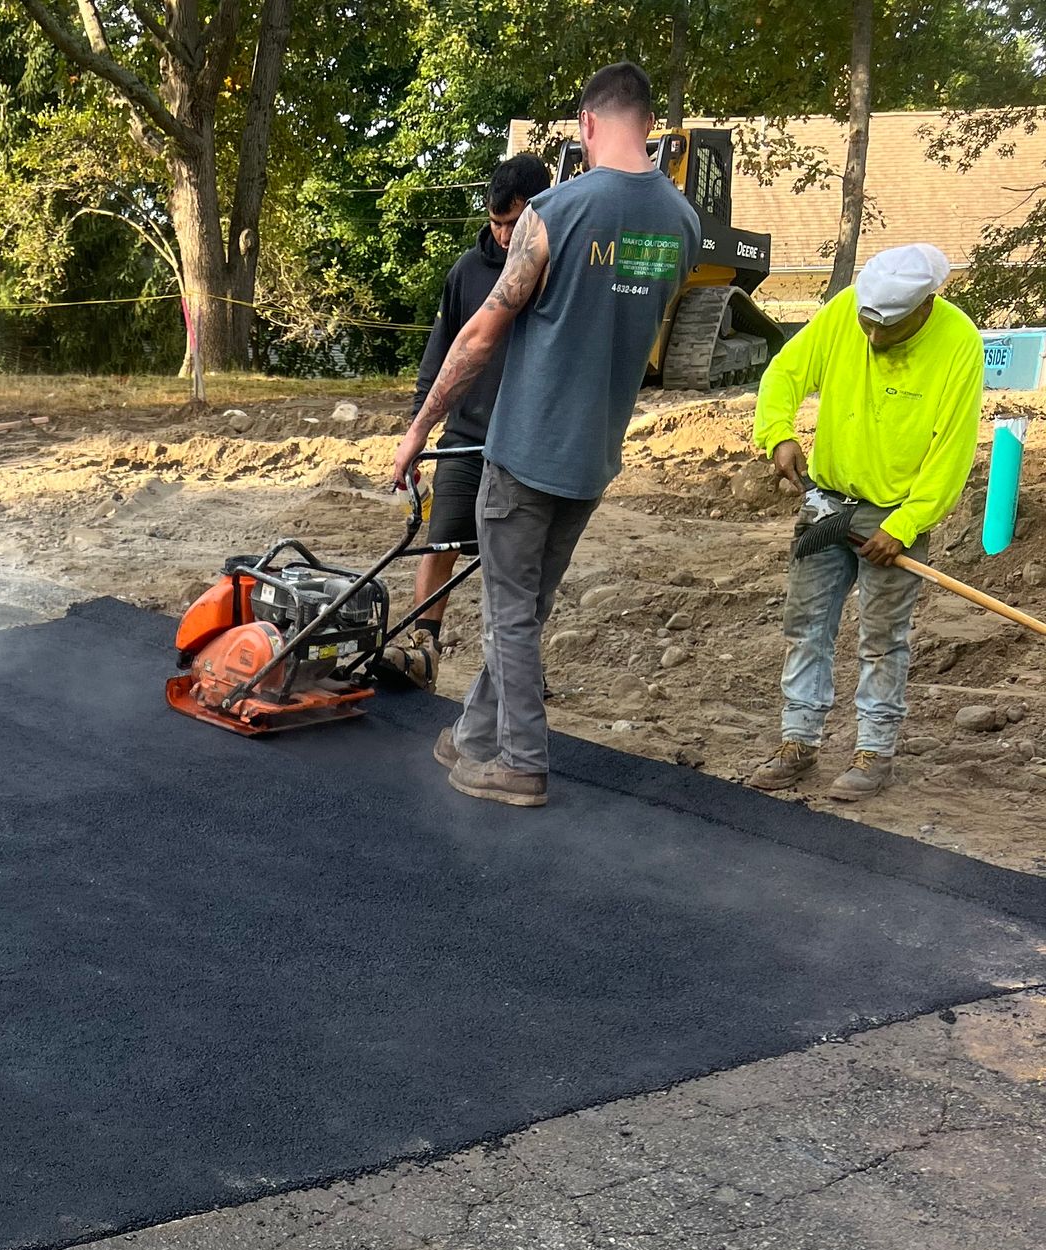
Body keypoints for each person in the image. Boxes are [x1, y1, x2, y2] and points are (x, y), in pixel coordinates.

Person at [390, 62, 701, 807]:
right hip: (593, 455)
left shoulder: (555, 213)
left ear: (587, 125)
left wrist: (417, 431)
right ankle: (472, 735)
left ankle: (521, 761)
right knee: (525, 610)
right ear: (648, 124)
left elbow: (478, 337)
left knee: (507, 614)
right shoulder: (684, 224)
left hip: (527, 449)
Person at [748, 244, 984, 802]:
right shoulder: (846, 310)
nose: (873, 340)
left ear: (925, 306)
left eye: (888, 330)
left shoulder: (959, 344)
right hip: (826, 501)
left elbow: (951, 451)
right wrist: (777, 431)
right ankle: (798, 741)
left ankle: (873, 750)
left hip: (894, 513)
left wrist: (906, 525)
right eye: (867, 327)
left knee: (882, 639)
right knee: (805, 626)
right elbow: (785, 371)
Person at [384, 151, 554, 690]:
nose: (504, 236)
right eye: (496, 222)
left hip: (527, 444)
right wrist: (419, 430)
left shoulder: (561, 271)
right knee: (440, 543)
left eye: (513, 223)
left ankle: (515, 668)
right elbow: (440, 357)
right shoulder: (468, 270)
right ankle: (422, 649)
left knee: (515, 565)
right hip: (465, 439)